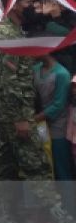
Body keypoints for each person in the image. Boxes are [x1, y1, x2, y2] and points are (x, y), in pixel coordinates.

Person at [0, 0, 76, 223]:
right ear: (13, 5)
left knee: (4, 167)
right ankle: (63, 222)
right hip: (15, 113)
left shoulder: (15, 32)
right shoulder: (6, 34)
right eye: (27, 1)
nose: (32, 6)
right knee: (37, 165)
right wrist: (20, 118)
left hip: (11, 112)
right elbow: (10, 80)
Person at [34, 52, 73, 211]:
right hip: (40, 123)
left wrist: (35, 118)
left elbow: (58, 104)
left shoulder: (61, 73)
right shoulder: (36, 69)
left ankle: (69, 207)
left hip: (58, 124)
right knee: (43, 167)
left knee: (61, 167)